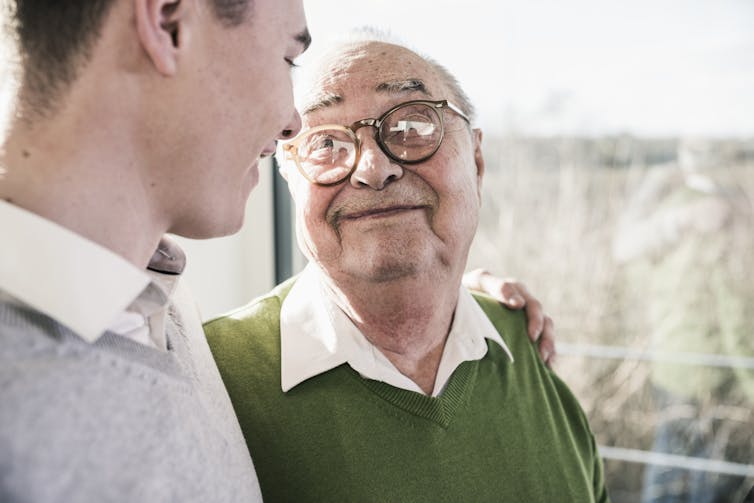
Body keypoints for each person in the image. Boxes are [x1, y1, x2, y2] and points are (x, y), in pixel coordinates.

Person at [0, 3, 551, 501]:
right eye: (289, 58)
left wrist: (448, 298)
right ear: (167, 22)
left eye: (410, 126)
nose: (291, 121)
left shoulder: (157, 309)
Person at [204, 37, 608, 502]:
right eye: (327, 142)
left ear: (476, 161)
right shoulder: (212, 376)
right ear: (290, 180)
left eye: (412, 124)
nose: (373, 169)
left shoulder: (526, 347)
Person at [613, 138, 754, 502]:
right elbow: (734, 314)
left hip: (674, 366)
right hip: (711, 373)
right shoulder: (724, 216)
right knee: (710, 477)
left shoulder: (678, 210)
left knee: (671, 469)